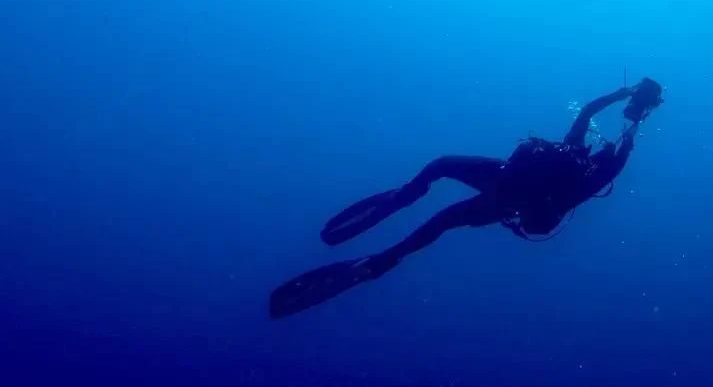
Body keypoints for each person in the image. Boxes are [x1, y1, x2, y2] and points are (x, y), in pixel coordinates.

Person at [268, 77, 664, 319]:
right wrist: (636, 112)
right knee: (440, 221)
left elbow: (597, 118)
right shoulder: (590, 170)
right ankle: (383, 258)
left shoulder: (583, 162)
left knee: (440, 173)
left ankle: (400, 202)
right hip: (507, 197)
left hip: (505, 187)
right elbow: (618, 142)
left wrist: (627, 96)